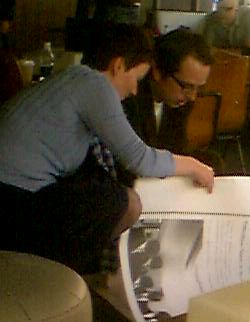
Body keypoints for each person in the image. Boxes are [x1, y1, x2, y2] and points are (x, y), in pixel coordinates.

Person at [0, 23, 215, 275]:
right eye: (136, 79)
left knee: (114, 200)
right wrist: (193, 166)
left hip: (18, 194)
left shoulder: (74, 78)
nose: (135, 89)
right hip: (12, 200)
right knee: (123, 203)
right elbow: (139, 159)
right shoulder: (96, 86)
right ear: (118, 66)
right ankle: (68, 278)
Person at [123, 27, 214, 153]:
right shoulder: (130, 97)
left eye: (199, 88)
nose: (192, 97)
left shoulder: (181, 100)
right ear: (158, 72)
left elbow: (176, 149)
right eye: (186, 86)